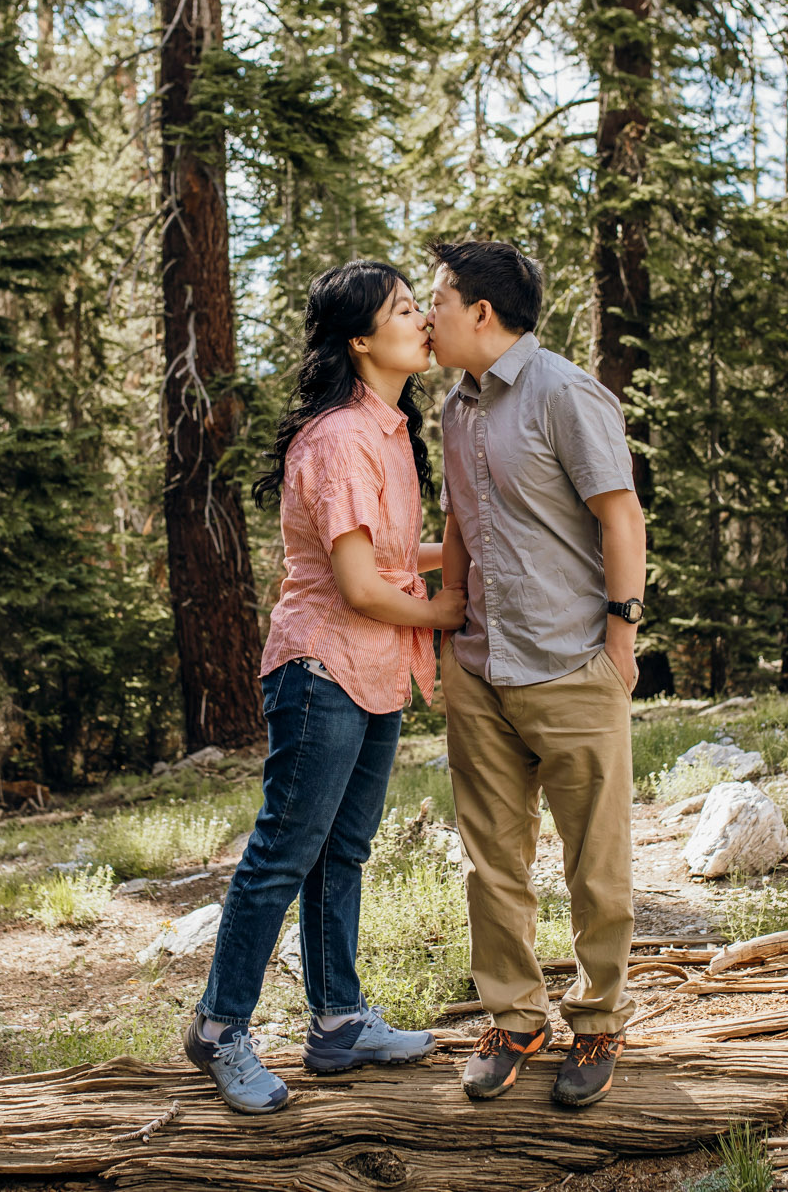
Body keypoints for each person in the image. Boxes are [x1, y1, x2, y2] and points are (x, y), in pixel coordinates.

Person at [183, 260, 466, 1115]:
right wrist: (450, 607)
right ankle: (219, 1025)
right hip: (322, 668)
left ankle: (337, 1020)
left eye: (422, 305)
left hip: (374, 669)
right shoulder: (341, 437)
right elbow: (356, 585)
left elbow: (384, 556)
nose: (423, 320)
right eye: (406, 309)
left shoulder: (386, 427)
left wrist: (460, 553)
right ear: (360, 338)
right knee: (282, 853)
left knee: (342, 852)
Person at [423, 239, 646, 1108]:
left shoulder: (563, 391)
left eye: (437, 298)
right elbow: (457, 526)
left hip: (570, 662)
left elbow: (619, 514)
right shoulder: (454, 409)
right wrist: (447, 639)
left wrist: (621, 640)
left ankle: (599, 1021)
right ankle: (514, 1017)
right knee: (493, 862)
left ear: (482, 312)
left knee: (596, 864)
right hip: (481, 667)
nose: (428, 315)